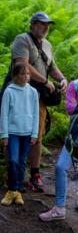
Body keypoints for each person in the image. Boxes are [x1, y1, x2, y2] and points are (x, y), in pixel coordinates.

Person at [39, 53, 78, 227]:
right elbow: (69, 108)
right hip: (75, 135)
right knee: (60, 167)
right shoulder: (75, 85)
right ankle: (59, 208)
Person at [11, 12, 68, 192]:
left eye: (47, 24)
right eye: (42, 24)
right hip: (19, 94)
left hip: (39, 96)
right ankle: (14, 176)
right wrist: (45, 81)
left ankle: (34, 175)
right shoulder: (22, 40)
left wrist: (62, 78)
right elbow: (23, 64)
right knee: (15, 132)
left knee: (37, 134)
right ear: (33, 24)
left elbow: (52, 66)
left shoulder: (47, 45)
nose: (45, 27)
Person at [0, 63, 39, 206]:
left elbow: (36, 114)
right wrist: (4, 134)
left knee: (22, 161)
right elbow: (4, 114)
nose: (25, 76)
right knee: (13, 160)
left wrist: (34, 133)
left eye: (27, 74)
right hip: (12, 133)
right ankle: (11, 190)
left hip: (27, 133)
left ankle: (18, 191)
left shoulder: (33, 92)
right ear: (15, 75)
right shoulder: (9, 91)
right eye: (22, 74)